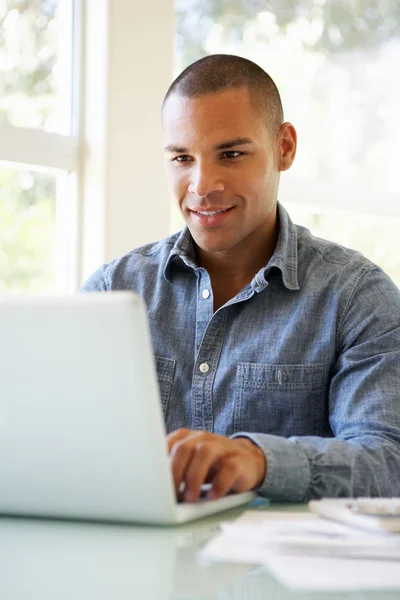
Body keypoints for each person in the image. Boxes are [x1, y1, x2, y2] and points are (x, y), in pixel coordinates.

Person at [81, 54, 400, 503]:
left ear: (284, 147)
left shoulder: (357, 298)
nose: (202, 184)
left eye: (230, 154)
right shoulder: (110, 292)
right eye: (182, 158)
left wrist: (260, 461)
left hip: (284, 571)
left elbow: (388, 463)